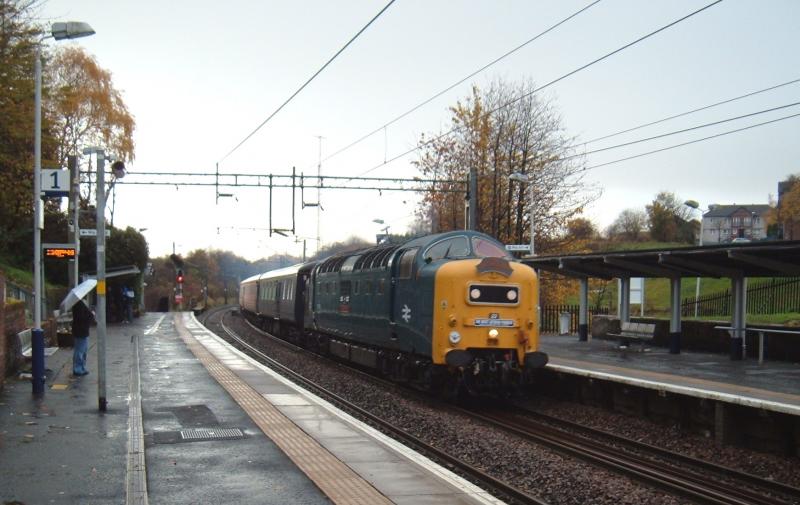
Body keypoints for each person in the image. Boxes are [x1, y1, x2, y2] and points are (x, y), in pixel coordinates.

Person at [72, 299, 94, 376]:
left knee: (83, 350)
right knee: (80, 350)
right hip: (81, 331)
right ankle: (78, 369)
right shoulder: (78, 304)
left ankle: (81, 367)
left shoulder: (80, 303)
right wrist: (91, 315)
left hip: (83, 330)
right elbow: (81, 317)